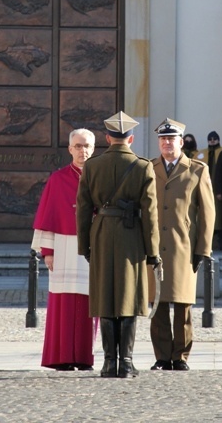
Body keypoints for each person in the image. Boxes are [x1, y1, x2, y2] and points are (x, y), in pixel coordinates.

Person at [76, 111, 160, 379]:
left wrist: (85, 246)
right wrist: (153, 251)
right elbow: (150, 214)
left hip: (101, 233)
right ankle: (126, 362)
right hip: (130, 236)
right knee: (129, 298)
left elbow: (83, 210)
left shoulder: (91, 166)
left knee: (104, 298)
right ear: (131, 139)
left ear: (107, 138)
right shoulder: (143, 166)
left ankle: (108, 362)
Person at [149, 118, 215, 371]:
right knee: (158, 304)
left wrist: (203, 249)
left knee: (182, 304)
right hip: (155, 246)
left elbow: (208, 213)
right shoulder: (149, 168)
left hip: (183, 246)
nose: (167, 143)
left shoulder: (197, 170)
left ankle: (181, 356)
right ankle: (162, 356)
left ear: (181, 142)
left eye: (171, 139)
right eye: (163, 139)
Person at [31, 128, 96, 371]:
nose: (83, 151)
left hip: (91, 247)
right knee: (63, 304)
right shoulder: (57, 179)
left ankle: (84, 356)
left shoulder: (99, 177)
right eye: (78, 146)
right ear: (70, 149)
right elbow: (48, 215)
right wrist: (47, 251)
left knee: (90, 304)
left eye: (87, 145)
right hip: (63, 247)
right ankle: (61, 357)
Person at [197, 131, 222, 250]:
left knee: (221, 217)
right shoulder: (201, 154)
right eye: (210, 138)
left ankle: (221, 243)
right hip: (204, 188)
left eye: (215, 138)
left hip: (219, 190)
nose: (213, 140)